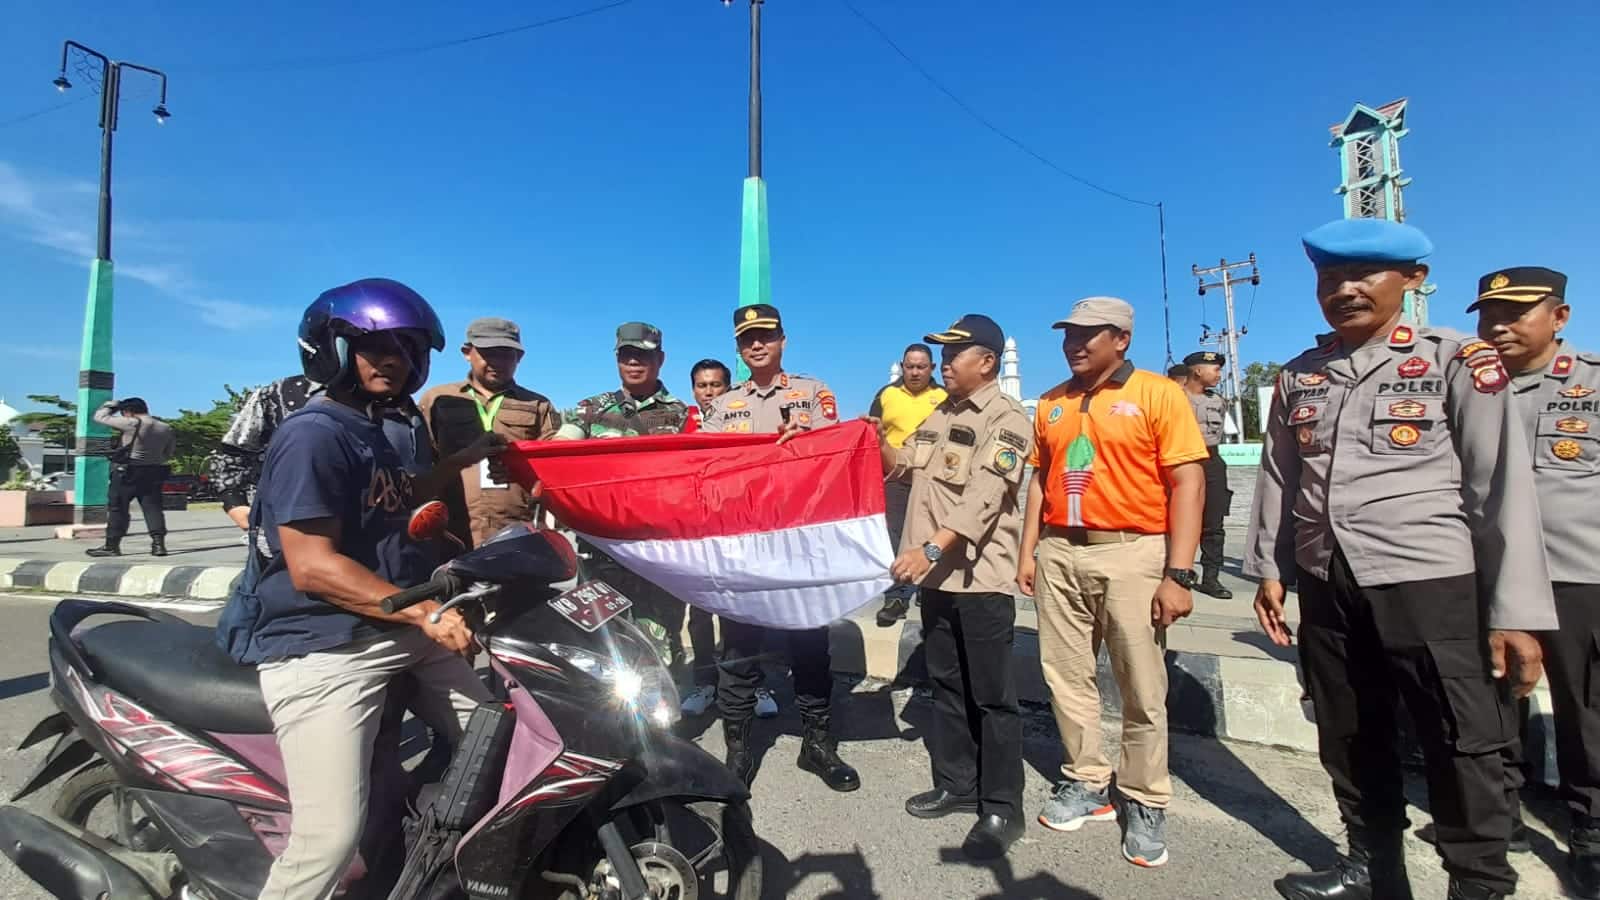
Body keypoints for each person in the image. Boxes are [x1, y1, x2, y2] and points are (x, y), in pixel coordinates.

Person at [1247, 220, 1555, 900]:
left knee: (1461, 741)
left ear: (1412, 279)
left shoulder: (1456, 360)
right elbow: (1279, 475)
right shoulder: (1301, 375)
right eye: (1330, 280)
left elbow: (1499, 487)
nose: (1344, 291)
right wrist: (1272, 569)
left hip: (1430, 582)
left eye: (1363, 276)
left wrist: (1516, 613)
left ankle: (1477, 883)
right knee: (1348, 728)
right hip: (1329, 581)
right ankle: (1371, 866)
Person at [217, 278, 505, 900]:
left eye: (403, 346)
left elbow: (399, 506)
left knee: (501, 739)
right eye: (370, 345)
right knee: (328, 836)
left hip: (399, 629)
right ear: (330, 349)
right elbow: (313, 566)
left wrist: (460, 482)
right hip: (326, 647)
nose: (390, 358)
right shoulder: (312, 434)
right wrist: (426, 613)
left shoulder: (388, 429)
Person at [1018, 296, 1207, 869]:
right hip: (1059, 551)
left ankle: (1146, 798)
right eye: (1068, 336)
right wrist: (1030, 551)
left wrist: (1178, 572)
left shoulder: (1157, 393)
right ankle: (1086, 780)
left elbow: (1188, 482)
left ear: (1120, 339)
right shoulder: (1050, 402)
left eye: (1088, 335)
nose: (1074, 345)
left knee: (1141, 685)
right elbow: (1037, 481)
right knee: (1066, 676)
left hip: (1132, 552)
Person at [876, 315, 1030, 860]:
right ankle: (957, 784)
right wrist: (868, 438)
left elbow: (984, 499)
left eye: (953, 354)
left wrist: (931, 549)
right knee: (944, 684)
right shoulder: (942, 411)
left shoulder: (1007, 418)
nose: (943, 363)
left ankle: (1002, 808)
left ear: (987, 361)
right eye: (941, 354)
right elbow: (902, 466)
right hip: (935, 577)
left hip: (979, 579)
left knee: (992, 697)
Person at [1471, 265, 1599, 895]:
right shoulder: (1469, 386)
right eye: (1488, 316)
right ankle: (1500, 818)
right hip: (1487, 576)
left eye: (1515, 314)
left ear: (1559, 318)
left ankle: (1591, 830)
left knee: (1588, 707)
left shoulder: (1593, 384)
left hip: (1577, 573)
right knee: (1494, 703)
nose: (1497, 328)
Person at [701, 303, 860, 792]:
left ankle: (818, 745)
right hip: (744, 547)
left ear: (782, 340)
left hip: (800, 544)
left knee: (810, 646)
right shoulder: (722, 406)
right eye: (747, 338)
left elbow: (835, 450)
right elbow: (701, 468)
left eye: (765, 336)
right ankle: (739, 751)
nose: (756, 344)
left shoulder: (812, 393)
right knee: (739, 651)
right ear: (738, 346)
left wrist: (805, 441)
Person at [556, 322, 692, 666]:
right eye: (626, 355)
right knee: (599, 648)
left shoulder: (684, 416)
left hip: (658, 556)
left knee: (657, 649)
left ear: (660, 359)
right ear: (617, 359)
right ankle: (604, 720)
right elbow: (558, 449)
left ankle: (661, 718)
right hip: (602, 552)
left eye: (643, 355)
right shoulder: (590, 409)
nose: (634, 362)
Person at [419, 317, 560, 547]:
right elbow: (421, 464)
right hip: (450, 535)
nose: (497, 362)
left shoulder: (537, 404)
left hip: (518, 535)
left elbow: (554, 469)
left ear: (519, 358)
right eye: (489, 353)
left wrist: (526, 475)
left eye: (506, 354)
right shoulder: (437, 399)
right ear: (467, 352)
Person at [867, 343, 948, 626]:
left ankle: (928, 588)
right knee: (895, 535)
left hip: (934, 479)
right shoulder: (886, 394)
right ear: (902, 367)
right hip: (894, 476)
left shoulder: (944, 396)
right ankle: (897, 596)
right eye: (910, 366)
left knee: (934, 533)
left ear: (932, 369)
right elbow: (871, 433)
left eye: (921, 367)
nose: (915, 372)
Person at [87, 397, 177, 558]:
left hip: (127, 472)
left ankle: (112, 546)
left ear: (128, 411)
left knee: (118, 508)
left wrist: (111, 405)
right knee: (153, 508)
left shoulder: (131, 423)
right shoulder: (166, 427)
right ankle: (158, 545)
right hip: (153, 472)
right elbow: (168, 453)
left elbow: (99, 417)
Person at [1181, 350, 1234, 599]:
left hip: (1212, 461)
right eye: (1215, 369)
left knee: (1214, 523)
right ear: (1197, 371)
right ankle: (1177, 573)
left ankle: (1211, 578)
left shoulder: (1219, 401)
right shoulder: (1174, 398)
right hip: (1182, 461)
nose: (1218, 374)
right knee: (1177, 521)